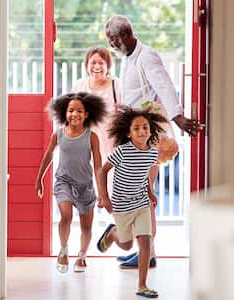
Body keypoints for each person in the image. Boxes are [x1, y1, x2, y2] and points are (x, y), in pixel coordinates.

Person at [104, 14, 204, 268]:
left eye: (113, 39)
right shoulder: (128, 58)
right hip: (134, 135)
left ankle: (147, 253)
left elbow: (165, 84)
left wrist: (178, 116)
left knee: (142, 194)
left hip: (146, 136)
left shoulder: (146, 55)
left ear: (126, 33)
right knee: (137, 193)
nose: (111, 44)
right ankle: (147, 251)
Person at [97, 106, 168, 298]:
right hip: (121, 205)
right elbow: (103, 171)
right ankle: (112, 234)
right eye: (136, 128)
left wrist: (151, 192)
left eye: (145, 127)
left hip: (142, 203)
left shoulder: (152, 153)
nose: (142, 131)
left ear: (150, 130)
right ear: (128, 133)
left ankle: (142, 285)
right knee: (127, 244)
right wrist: (104, 196)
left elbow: (144, 175)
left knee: (145, 241)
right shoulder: (121, 152)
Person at [34, 92, 106, 273]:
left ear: (87, 114)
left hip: (86, 186)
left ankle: (82, 256)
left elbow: (98, 166)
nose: (75, 114)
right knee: (65, 215)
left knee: (86, 227)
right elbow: (48, 156)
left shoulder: (92, 137)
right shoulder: (58, 134)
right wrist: (40, 178)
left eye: (79, 111)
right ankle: (63, 250)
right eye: (71, 110)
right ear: (64, 113)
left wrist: (102, 193)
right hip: (63, 182)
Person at [71, 46, 121, 163]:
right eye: (93, 63)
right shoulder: (79, 86)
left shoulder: (116, 85)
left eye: (101, 63)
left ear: (108, 66)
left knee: (109, 179)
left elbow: (127, 113)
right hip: (85, 147)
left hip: (111, 146)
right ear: (86, 65)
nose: (97, 67)